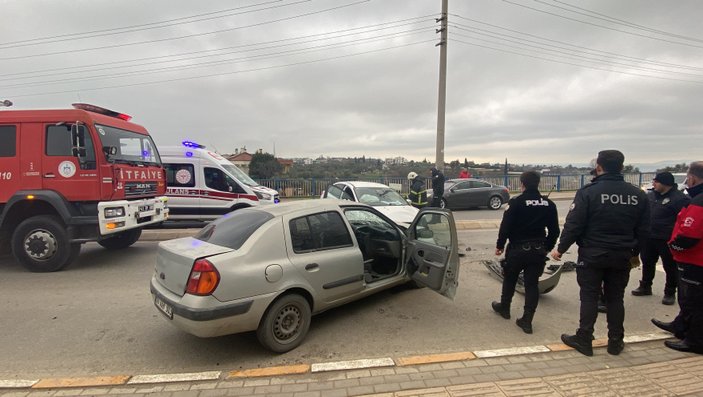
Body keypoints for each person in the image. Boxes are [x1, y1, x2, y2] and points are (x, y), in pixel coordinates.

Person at [551, 150, 649, 356]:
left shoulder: (588, 192)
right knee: (615, 299)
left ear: (599, 167)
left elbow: (574, 225)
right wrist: (634, 253)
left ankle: (584, 338)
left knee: (589, 297)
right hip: (622, 255)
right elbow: (644, 230)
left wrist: (560, 249)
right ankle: (615, 341)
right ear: (622, 167)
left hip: (593, 254)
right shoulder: (638, 194)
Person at [492, 171, 560, 334]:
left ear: (522, 184)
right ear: (538, 184)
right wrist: (547, 248)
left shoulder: (517, 202)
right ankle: (527, 320)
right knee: (531, 285)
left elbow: (505, 226)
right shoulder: (548, 204)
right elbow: (554, 231)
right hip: (537, 250)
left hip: (517, 249)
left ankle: (505, 308)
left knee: (510, 279)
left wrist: (500, 245)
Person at [652, 161, 703, 354]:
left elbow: (689, 234)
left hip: (695, 260)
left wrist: (673, 246)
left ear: (692, 178)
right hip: (696, 258)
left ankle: (695, 340)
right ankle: (680, 325)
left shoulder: (699, 201)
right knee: (690, 299)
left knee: (694, 300)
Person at [631, 172, 690, 305]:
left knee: (670, 266)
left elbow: (682, 221)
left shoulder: (679, 199)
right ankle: (645, 286)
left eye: (656, 181)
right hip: (649, 236)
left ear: (665, 183)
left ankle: (669, 292)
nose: (653, 184)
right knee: (647, 262)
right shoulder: (650, 196)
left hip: (667, 239)